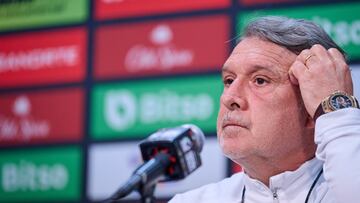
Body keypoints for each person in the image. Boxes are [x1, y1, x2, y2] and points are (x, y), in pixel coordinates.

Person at [169, 16, 360, 203]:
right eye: (229, 80)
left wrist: (335, 108)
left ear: (311, 110)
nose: (229, 98)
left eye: (260, 80)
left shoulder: (341, 190)